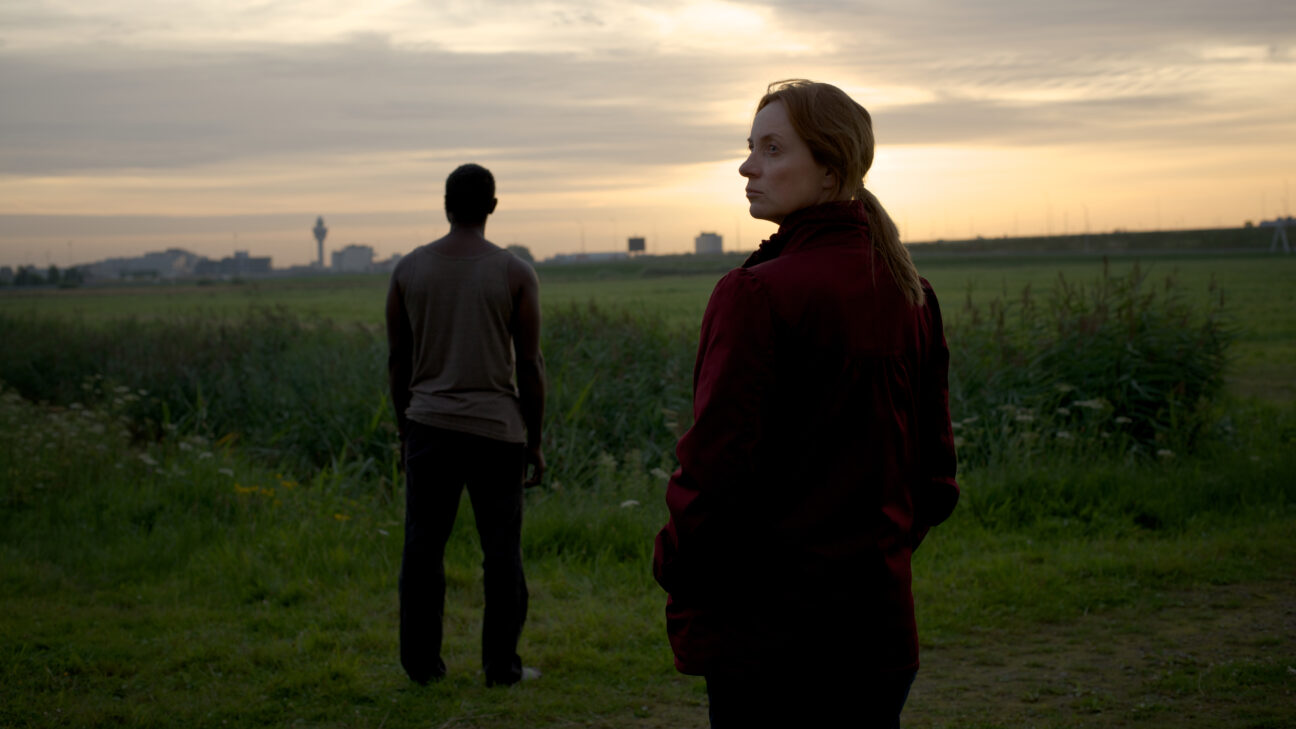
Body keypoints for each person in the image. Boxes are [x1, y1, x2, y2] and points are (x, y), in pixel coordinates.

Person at [652, 80, 959, 727]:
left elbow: (713, 473)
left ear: (830, 169)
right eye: (750, 147)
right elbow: (934, 479)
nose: (748, 166)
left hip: (771, 645)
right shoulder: (912, 292)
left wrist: (674, 563)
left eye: (772, 149)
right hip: (881, 637)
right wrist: (875, 556)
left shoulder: (754, 294)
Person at [386, 163, 546, 687]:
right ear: (493, 207)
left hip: (428, 426)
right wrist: (535, 441)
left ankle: (421, 667)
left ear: (445, 205)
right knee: (501, 554)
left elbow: (398, 361)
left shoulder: (408, 271)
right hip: (498, 434)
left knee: (422, 549)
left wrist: (406, 430)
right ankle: (501, 668)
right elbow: (530, 365)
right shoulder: (515, 273)